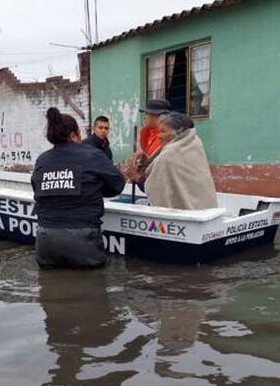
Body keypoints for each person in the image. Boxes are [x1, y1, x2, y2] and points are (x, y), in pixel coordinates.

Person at [31, 108, 126, 269]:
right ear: (74, 134)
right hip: (83, 239)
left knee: (49, 289)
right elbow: (117, 185)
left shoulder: (42, 160)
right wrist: (94, 188)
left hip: (45, 239)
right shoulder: (93, 155)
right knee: (91, 287)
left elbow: (36, 188)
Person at [144, 112, 218, 210]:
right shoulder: (194, 142)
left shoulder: (169, 154)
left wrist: (136, 177)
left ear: (177, 133)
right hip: (206, 208)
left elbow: (156, 188)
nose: (159, 136)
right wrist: (147, 161)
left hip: (186, 217)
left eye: (163, 131)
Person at [120, 99, 171, 186]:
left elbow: (155, 165)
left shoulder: (163, 138)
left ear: (157, 117)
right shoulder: (153, 132)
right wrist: (145, 128)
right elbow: (146, 149)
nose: (144, 117)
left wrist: (135, 175)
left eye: (147, 114)